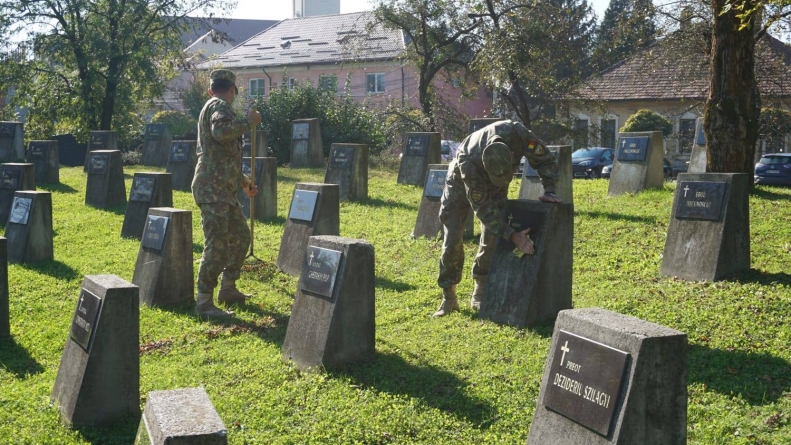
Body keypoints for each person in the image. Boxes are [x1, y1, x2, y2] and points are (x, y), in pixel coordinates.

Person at [433, 120, 562, 317]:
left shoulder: (520, 135)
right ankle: (448, 297)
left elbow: (544, 159)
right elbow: (484, 211)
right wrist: (512, 235)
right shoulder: (469, 160)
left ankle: (481, 289)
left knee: (491, 239)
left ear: (511, 156)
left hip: (495, 188)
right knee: (452, 239)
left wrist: (550, 190)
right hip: (458, 186)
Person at [192, 69, 262, 318]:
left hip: (222, 189)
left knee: (241, 238)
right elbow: (220, 132)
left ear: (211, 88)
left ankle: (228, 288)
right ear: (232, 90)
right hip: (213, 191)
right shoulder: (219, 105)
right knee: (217, 246)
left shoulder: (213, 104)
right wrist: (248, 122)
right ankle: (204, 302)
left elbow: (222, 155)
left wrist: (243, 182)